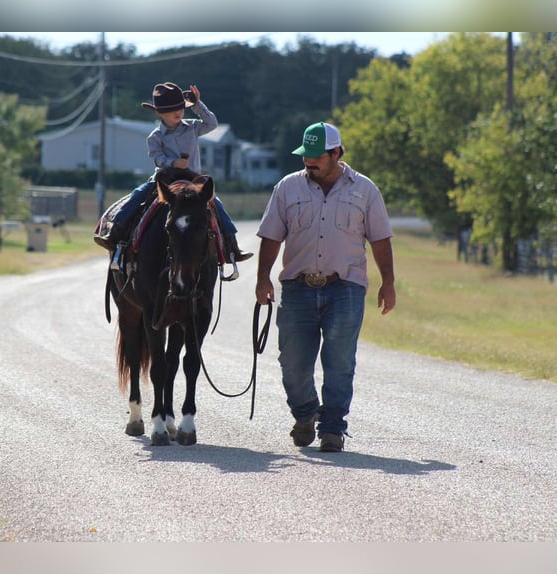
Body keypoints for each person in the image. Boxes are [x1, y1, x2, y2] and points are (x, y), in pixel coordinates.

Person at [254, 121, 396, 452]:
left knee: (339, 360)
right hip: (298, 287)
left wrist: (388, 283)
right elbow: (272, 235)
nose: (309, 162)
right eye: (306, 155)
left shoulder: (365, 190)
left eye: (317, 156)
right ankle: (305, 414)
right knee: (292, 361)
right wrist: (262, 278)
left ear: (336, 153)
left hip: (344, 287)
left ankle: (332, 427)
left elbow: (380, 239)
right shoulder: (288, 188)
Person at [95, 81, 252, 271]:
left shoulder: (193, 127)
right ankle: (115, 233)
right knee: (138, 195)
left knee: (215, 203)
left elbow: (212, 123)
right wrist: (173, 162)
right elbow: (156, 157)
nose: (178, 112)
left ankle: (231, 245)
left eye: (180, 107)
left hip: (192, 180)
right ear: (160, 113)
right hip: (165, 180)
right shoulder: (155, 136)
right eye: (171, 110)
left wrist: (197, 105)